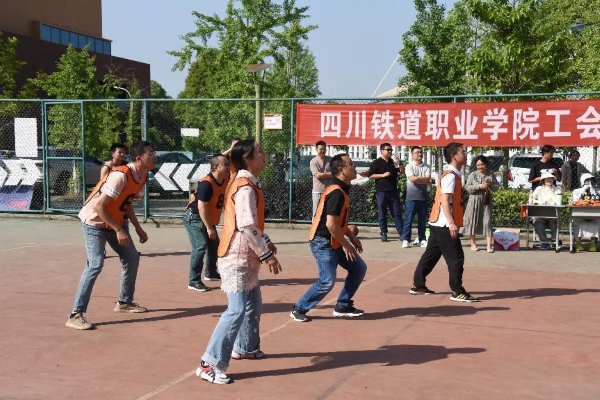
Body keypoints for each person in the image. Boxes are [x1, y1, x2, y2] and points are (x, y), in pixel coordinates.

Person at [197, 139, 282, 385]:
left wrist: (266, 242)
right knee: (236, 310)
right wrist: (266, 254)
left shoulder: (248, 182)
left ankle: (245, 347)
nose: (264, 154)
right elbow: (245, 226)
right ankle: (209, 364)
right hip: (236, 257)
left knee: (253, 304)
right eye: (260, 151)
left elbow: (251, 224)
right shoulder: (245, 187)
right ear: (248, 159)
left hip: (247, 257)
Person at [66, 140, 156, 330]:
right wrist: (119, 229)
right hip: (94, 222)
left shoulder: (142, 176)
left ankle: (124, 302)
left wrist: (138, 227)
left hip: (114, 222)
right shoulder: (120, 175)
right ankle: (75, 314)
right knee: (95, 264)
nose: (154, 156)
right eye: (150, 153)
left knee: (132, 258)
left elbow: (126, 203)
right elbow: (99, 206)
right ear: (139, 158)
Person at [290, 153, 367, 322]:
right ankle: (299, 308)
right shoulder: (336, 193)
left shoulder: (342, 189)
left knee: (359, 268)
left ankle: (343, 305)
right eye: (351, 164)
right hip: (323, 242)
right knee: (327, 280)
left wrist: (351, 237)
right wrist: (347, 245)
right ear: (341, 170)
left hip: (335, 239)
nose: (354, 167)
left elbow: (339, 222)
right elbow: (331, 225)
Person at [409, 142, 479, 303]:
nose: (465, 154)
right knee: (456, 258)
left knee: (431, 255)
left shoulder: (454, 174)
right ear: (454, 156)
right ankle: (457, 291)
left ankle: (418, 285)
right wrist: (452, 223)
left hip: (438, 223)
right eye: (462, 151)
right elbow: (445, 201)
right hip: (444, 224)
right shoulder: (450, 176)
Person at [183, 154, 230, 292]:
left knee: (214, 245)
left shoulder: (225, 179)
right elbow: (201, 207)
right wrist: (209, 228)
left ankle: (210, 273)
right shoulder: (207, 184)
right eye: (225, 164)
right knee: (200, 246)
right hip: (194, 217)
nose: (228, 167)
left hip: (207, 218)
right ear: (215, 167)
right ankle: (193, 281)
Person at [368, 143, 405, 242]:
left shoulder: (393, 162)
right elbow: (370, 175)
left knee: (396, 213)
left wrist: (400, 163)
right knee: (382, 213)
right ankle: (383, 233)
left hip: (393, 191)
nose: (390, 152)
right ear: (382, 151)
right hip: (381, 191)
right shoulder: (376, 162)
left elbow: (402, 171)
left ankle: (402, 233)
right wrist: (383, 175)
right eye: (388, 150)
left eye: (391, 150)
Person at [463, 155, 499, 253]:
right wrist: (478, 186)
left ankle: (489, 245)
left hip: (486, 200)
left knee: (487, 221)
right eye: (478, 165)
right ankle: (473, 243)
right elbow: (467, 187)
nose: (480, 167)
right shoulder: (473, 174)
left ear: (486, 164)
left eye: (482, 164)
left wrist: (490, 185)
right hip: (474, 200)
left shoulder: (491, 174)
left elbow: (496, 188)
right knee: (473, 220)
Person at [401, 146, 431, 248]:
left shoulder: (427, 166)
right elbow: (412, 179)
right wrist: (423, 180)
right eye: (417, 152)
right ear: (412, 155)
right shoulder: (409, 166)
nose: (420, 154)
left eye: (421, 152)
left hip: (423, 197)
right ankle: (406, 239)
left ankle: (422, 239)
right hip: (411, 198)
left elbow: (427, 178)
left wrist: (418, 179)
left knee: (422, 221)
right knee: (408, 220)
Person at [531, 171, 562, 251]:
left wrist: (550, 191)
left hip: (553, 215)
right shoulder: (539, 189)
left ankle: (555, 240)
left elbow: (558, 202)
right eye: (547, 179)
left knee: (554, 223)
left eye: (551, 179)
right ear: (543, 180)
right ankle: (544, 242)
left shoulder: (557, 189)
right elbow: (531, 199)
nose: (550, 180)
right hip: (541, 215)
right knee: (538, 223)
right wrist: (539, 202)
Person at [572, 173, 600, 252]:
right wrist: (583, 190)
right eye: (587, 180)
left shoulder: (597, 191)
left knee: (597, 222)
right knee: (576, 222)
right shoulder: (577, 191)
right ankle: (578, 242)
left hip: (594, 215)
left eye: (591, 180)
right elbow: (574, 201)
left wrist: (594, 192)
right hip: (580, 215)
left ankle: (593, 243)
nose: (590, 182)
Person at [309, 140, 333, 218]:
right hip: (318, 191)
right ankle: (315, 226)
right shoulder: (313, 161)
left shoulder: (331, 160)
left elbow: (336, 173)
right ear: (316, 149)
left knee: (329, 214)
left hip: (330, 191)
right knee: (317, 214)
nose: (323, 151)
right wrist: (330, 174)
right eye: (320, 149)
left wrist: (323, 175)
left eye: (324, 149)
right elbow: (317, 176)